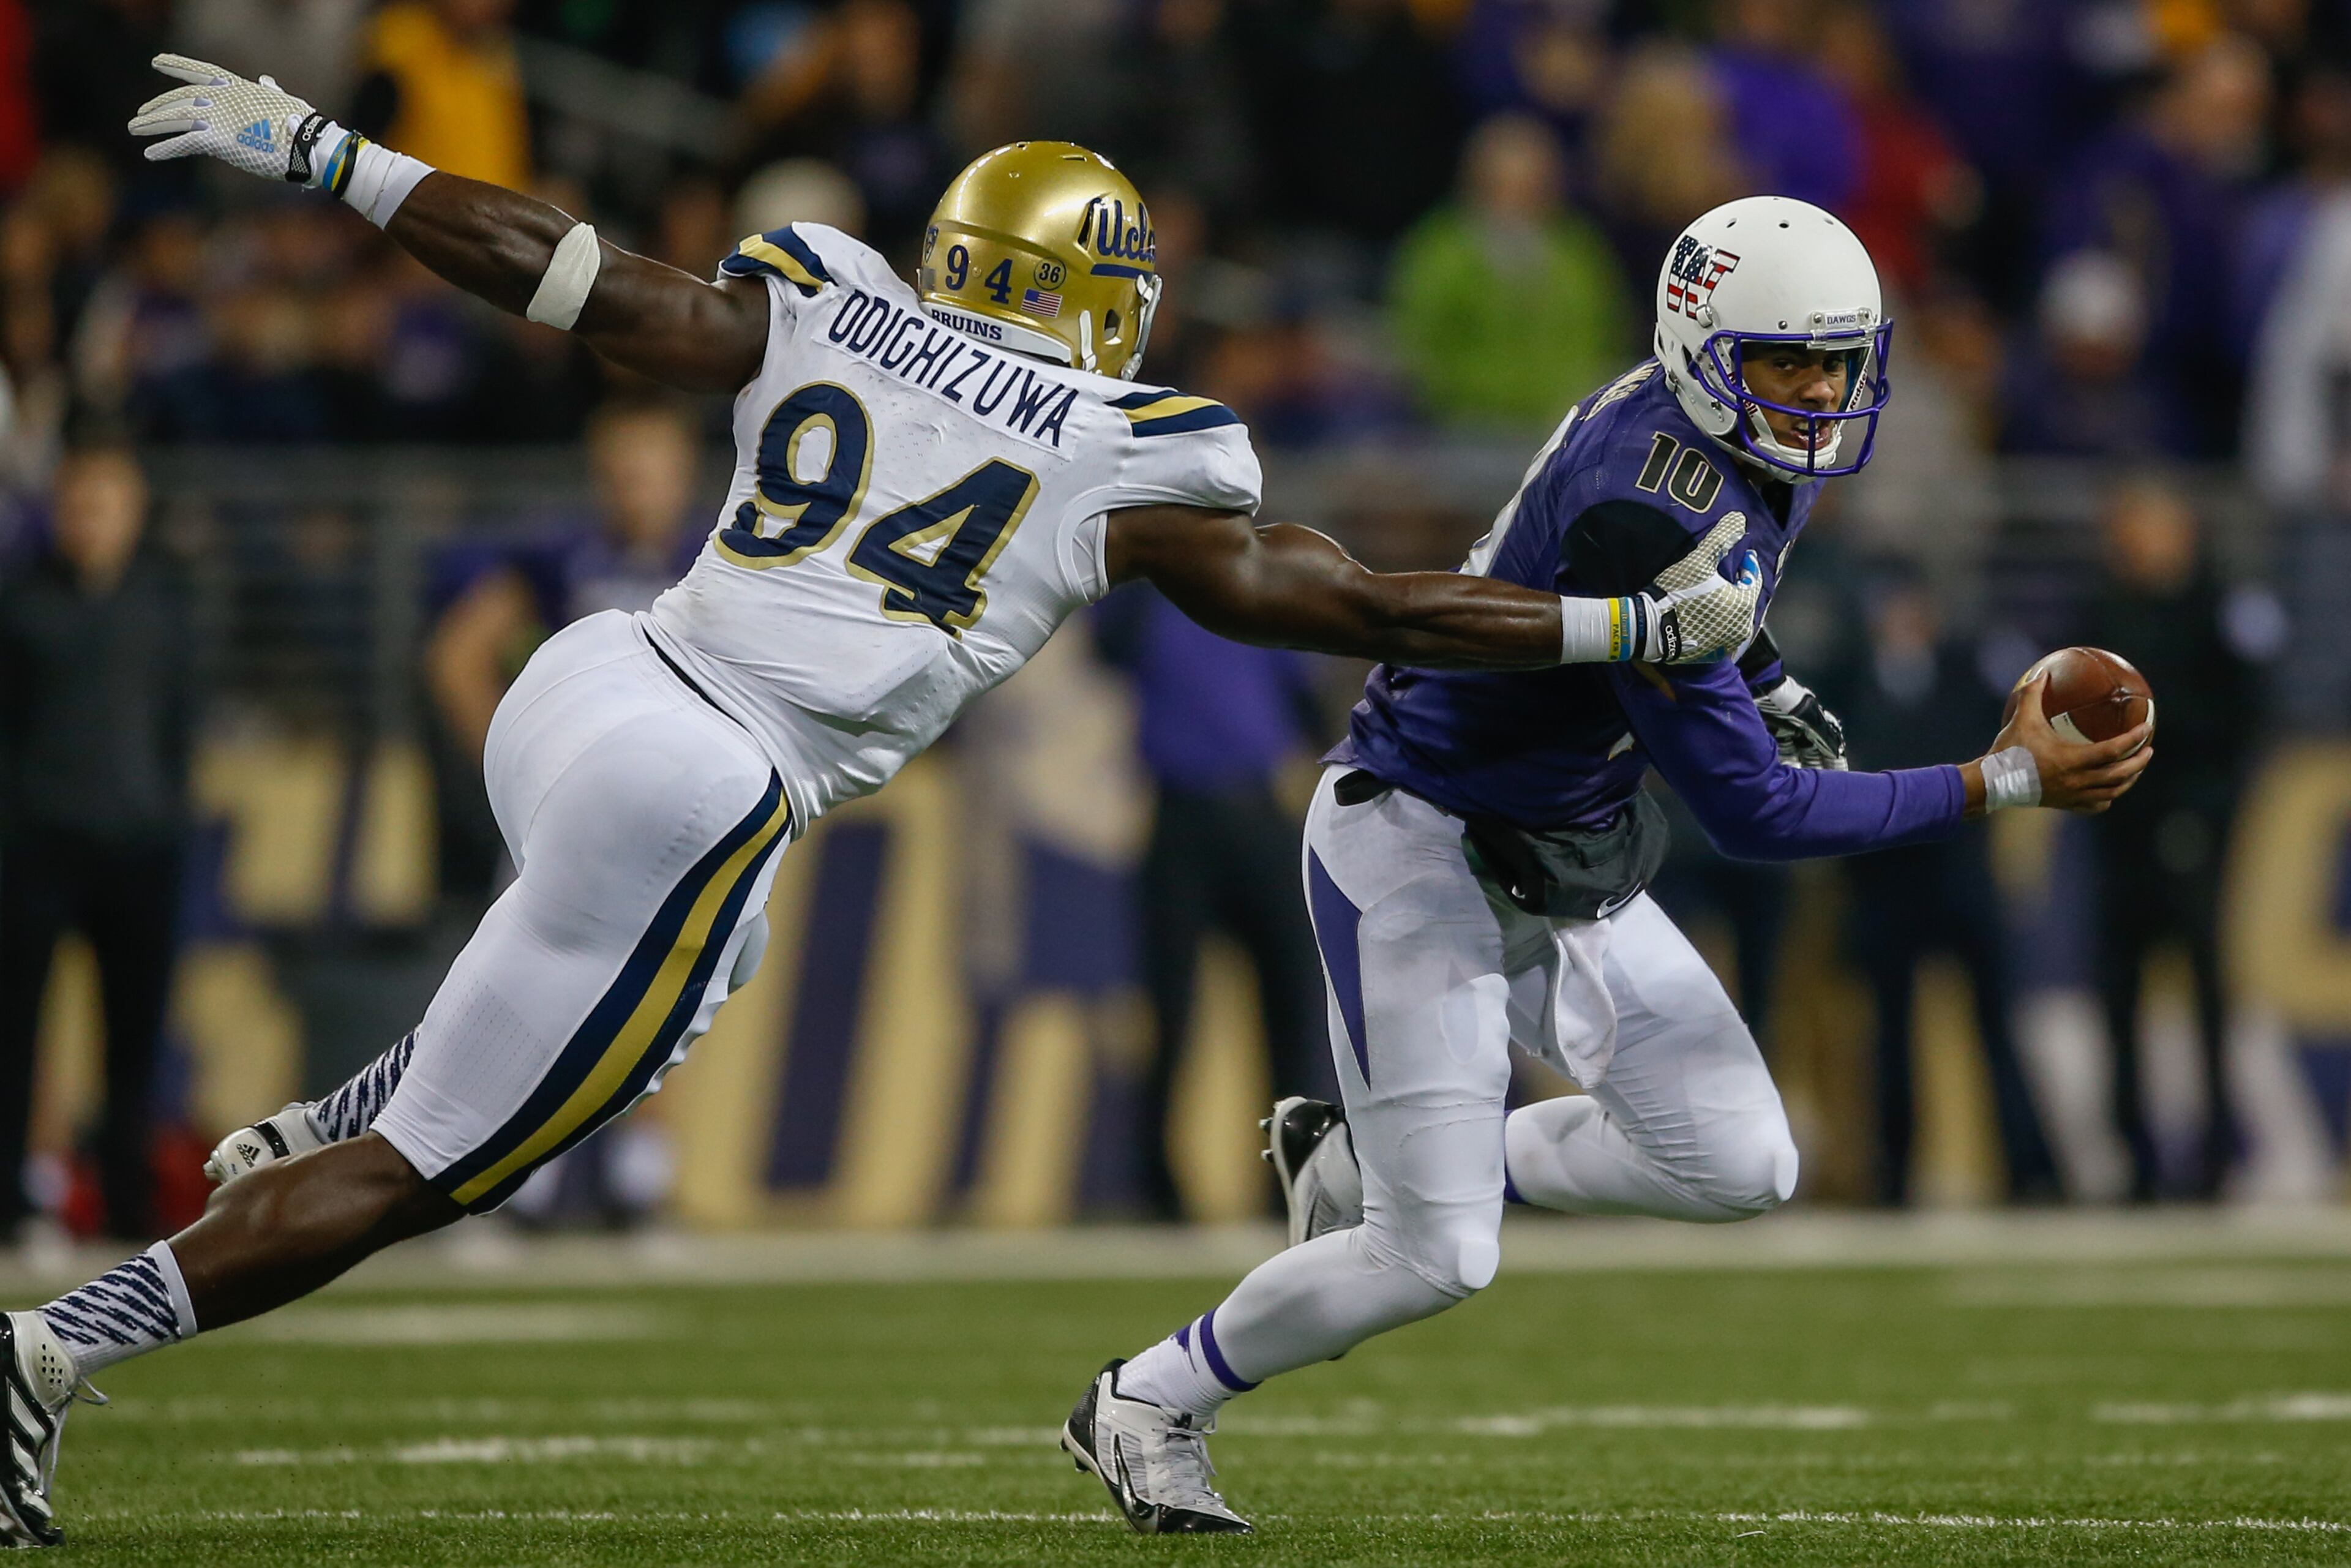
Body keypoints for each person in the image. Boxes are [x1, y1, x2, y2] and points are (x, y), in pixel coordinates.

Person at [0, 52, 1774, 1550]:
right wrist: (1626, 621)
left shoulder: (830, 294)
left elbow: (584, 280)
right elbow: (1368, 607)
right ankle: (56, 1349)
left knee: (691, 960)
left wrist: (335, 154)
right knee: (434, 1175)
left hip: (591, 678)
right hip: (712, 773)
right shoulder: (1122, 445)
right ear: (1094, 291)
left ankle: (356, 1105)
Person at [1066, 198, 2151, 1534]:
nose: (1818, 394)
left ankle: (1370, 1152)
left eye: (1837, 361)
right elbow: (1755, 812)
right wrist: (2006, 780)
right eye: (1786, 363)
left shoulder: (1707, 438)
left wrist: (1766, 670)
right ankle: (1147, 1398)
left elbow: (1723, 603)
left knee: (1743, 1160)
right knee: (1438, 1252)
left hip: (1565, 846)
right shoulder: (1658, 502)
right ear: (1706, 352)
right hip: (1421, 838)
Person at [0, 429, 192, 1248]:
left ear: (134, 508)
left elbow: (182, 719)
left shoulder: (167, 599)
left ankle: (127, 1201)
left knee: (135, 1037)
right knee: (13, 1031)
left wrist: (169, 809)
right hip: (35, 845)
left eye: (106, 502)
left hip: (139, 846)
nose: (91, 519)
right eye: (77, 503)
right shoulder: (20, 601)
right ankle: (11, 1199)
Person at [1093, 587, 1334, 1220]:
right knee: (1171, 1012)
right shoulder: (1151, 596)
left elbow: (1309, 702)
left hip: (1258, 812)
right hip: (1183, 817)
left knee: (1290, 1007)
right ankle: (1157, 1187)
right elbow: (1106, 646)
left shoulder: (1250, 589)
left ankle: (1292, 1181)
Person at [1839, 574, 2058, 1206]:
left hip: (1962, 879)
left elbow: (2008, 758)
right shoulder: (1848, 679)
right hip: (1886, 884)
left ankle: (2030, 1168)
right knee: (1889, 1035)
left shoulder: (1969, 671)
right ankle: (1893, 1173)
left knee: (1996, 1028)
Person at [2083, 478, 2264, 1201]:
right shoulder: (2101, 610)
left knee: (2206, 988)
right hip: (2118, 820)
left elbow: (2244, 716)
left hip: (2189, 818)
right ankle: (2133, 1155)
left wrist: (2204, 803)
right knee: (2118, 992)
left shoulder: (2216, 609)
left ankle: (2219, 1150)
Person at [1389, 113, 1633, 431]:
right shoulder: (1440, 254)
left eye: (1530, 186)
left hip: (1563, 426)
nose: (1518, 200)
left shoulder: (1577, 252)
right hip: (1462, 427)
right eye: (1505, 185)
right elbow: (1417, 347)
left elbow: (1608, 331)